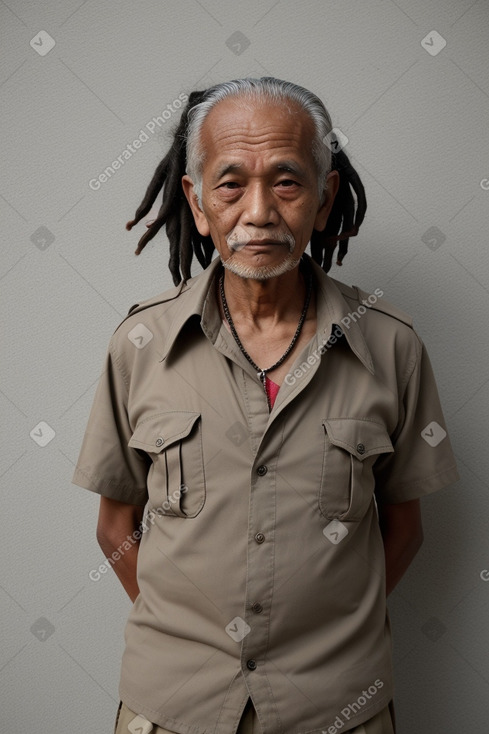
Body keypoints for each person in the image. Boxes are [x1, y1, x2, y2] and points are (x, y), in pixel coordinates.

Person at [72, 77, 459, 734]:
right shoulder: (139, 345)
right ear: (196, 204)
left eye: (286, 182)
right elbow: (116, 529)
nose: (258, 211)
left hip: (340, 711)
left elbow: (404, 529)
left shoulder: (391, 346)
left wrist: (319, 641)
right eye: (229, 184)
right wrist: (198, 641)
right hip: (172, 709)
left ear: (324, 198)